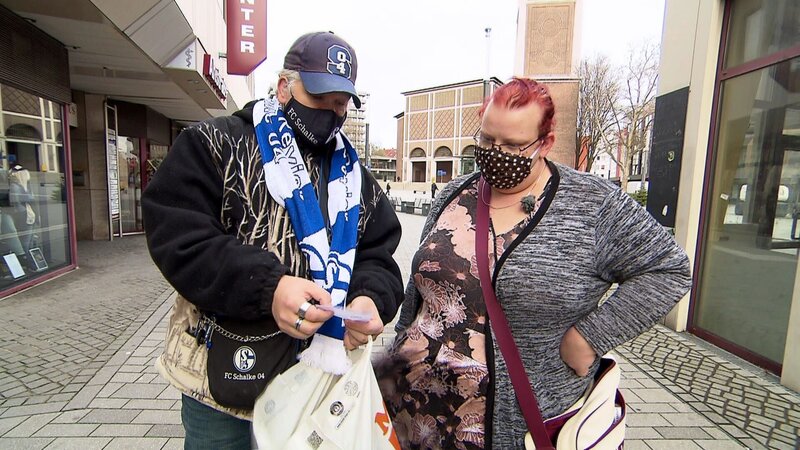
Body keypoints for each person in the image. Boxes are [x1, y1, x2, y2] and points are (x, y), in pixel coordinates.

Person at [375, 77, 691, 449]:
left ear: (545, 143)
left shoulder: (593, 204)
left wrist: (591, 336)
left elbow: (669, 269)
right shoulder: (454, 194)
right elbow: (421, 282)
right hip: (418, 413)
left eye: (512, 145)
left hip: (512, 425)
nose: (496, 153)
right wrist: (399, 344)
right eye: (488, 140)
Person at [142, 31, 404, 450]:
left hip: (318, 385)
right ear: (285, 87)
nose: (331, 114)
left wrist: (370, 299)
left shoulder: (358, 180)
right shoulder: (214, 144)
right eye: (320, 99)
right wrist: (269, 288)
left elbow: (378, 257)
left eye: (340, 104)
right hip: (221, 387)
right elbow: (178, 238)